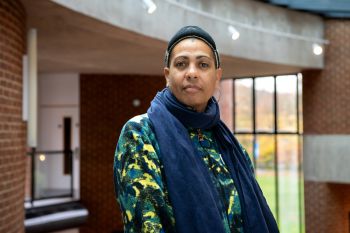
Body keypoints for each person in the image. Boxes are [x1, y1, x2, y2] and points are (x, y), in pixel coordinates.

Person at [113, 25, 279, 233]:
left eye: (203, 64)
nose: (192, 72)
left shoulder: (227, 144)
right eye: (181, 64)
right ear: (167, 74)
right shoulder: (141, 134)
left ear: (217, 75)